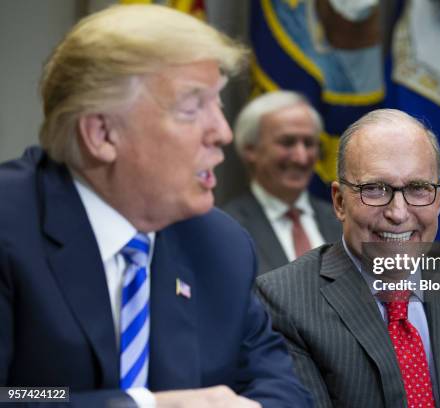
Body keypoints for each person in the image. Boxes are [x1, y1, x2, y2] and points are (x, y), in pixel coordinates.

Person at [0, 5, 311, 408]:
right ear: (102, 133)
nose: (223, 132)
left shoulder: (221, 245)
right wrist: (146, 406)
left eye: (217, 104)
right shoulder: (9, 223)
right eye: (192, 108)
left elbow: (283, 390)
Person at [255, 109, 440, 407]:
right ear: (339, 202)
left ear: (439, 198)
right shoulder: (284, 302)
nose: (398, 214)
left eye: (417, 189)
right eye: (374, 189)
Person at [224, 91, 341, 274]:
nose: (301, 158)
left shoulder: (342, 222)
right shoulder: (226, 230)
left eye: (309, 143)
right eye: (287, 143)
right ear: (250, 149)